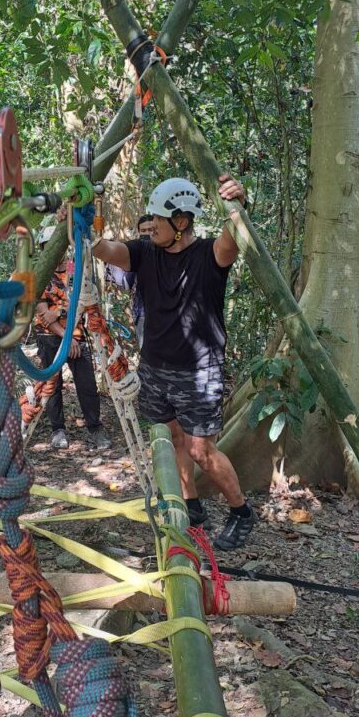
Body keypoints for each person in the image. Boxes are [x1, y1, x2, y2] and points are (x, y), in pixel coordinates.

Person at [93, 175, 256, 551]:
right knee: (172, 439)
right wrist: (81, 218)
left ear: (181, 222)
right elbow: (105, 250)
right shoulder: (145, 252)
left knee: (201, 449)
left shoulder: (208, 255)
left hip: (198, 371)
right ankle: (191, 505)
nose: (150, 226)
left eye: (158, 220)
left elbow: (231, 241)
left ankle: (241, 511)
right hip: (154, 368)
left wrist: (238, 205)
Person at [34, 225, 111, 450]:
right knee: (52, 384)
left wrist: (58, 311)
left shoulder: (73, 269)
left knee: (87, 385)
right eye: (49, 248)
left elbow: (81, 301)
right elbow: (42, 314)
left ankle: (94, 428)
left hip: (77, 335)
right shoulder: (36, 275)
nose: (55, 252)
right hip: (50, 337)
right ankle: (57, 429)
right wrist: (65, 335)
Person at [106, 214, 153, 348]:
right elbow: (126, 283)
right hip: (143, 312)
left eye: (150, 230)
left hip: (168, 313)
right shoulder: (136, 252)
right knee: (147, 354)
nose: (147, 234)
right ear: (138, 232)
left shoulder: (169, 249)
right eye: (143, 231)